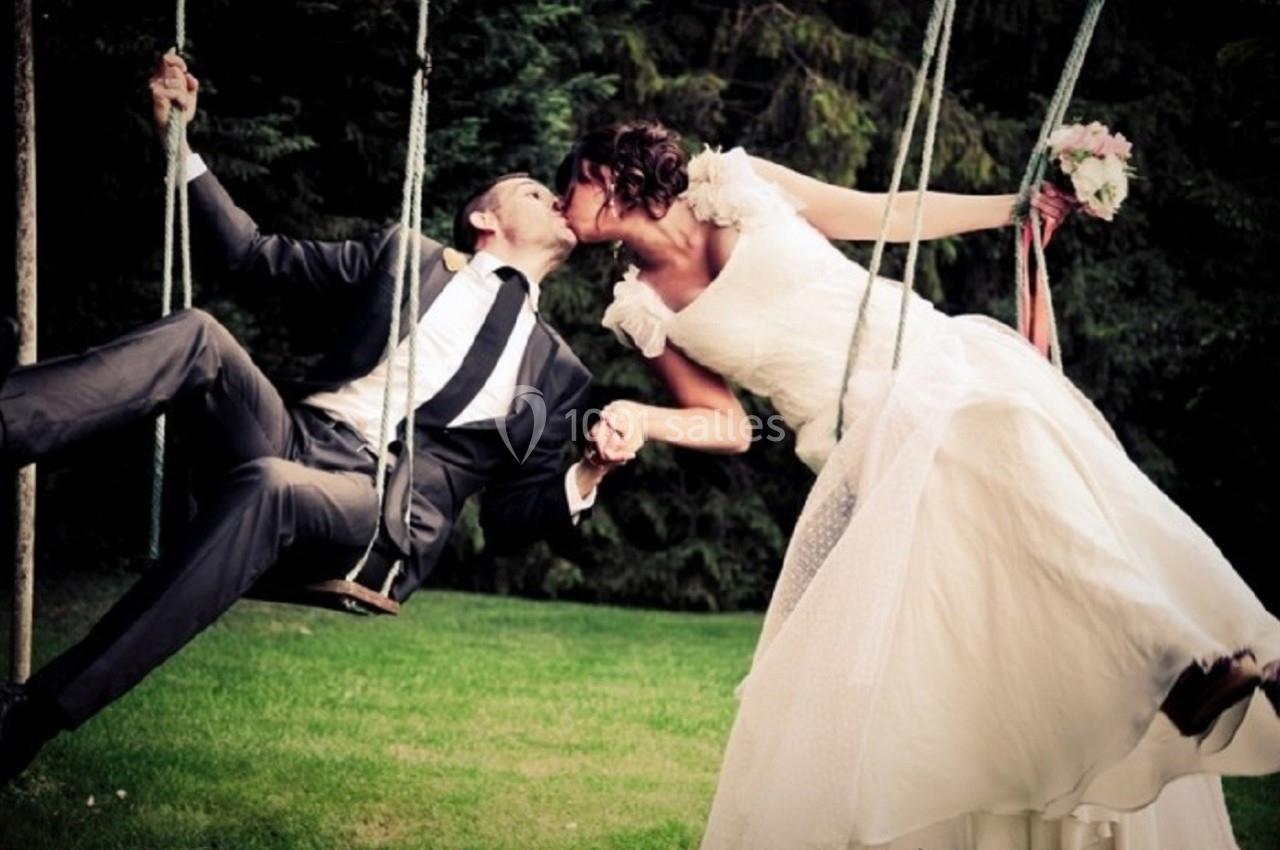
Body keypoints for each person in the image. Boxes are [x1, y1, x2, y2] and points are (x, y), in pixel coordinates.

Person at [555, 121, 1280, 850]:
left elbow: (889, 213)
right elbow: (730, 426)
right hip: (862, 445)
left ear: (608, 170)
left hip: (935, 363)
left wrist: (1017, 206)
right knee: (982, 609)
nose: (562, 204)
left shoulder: (739, 183)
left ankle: (1183, 658)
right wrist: (645, 419)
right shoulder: (642, 307)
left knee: (1035, 486)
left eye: (569, 185)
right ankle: (1171, 672)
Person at [0, 55, 632, 785]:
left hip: (375, 507)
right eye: (533, 189)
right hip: (295, 438)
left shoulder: (557, 372)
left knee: (273, 484)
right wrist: (179, 141)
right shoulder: (408, 259)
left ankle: (33, 715)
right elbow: (252, 255)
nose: (557, 196)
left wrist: (589, 471)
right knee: (201, 334)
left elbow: (516, 516)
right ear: (485, 218)